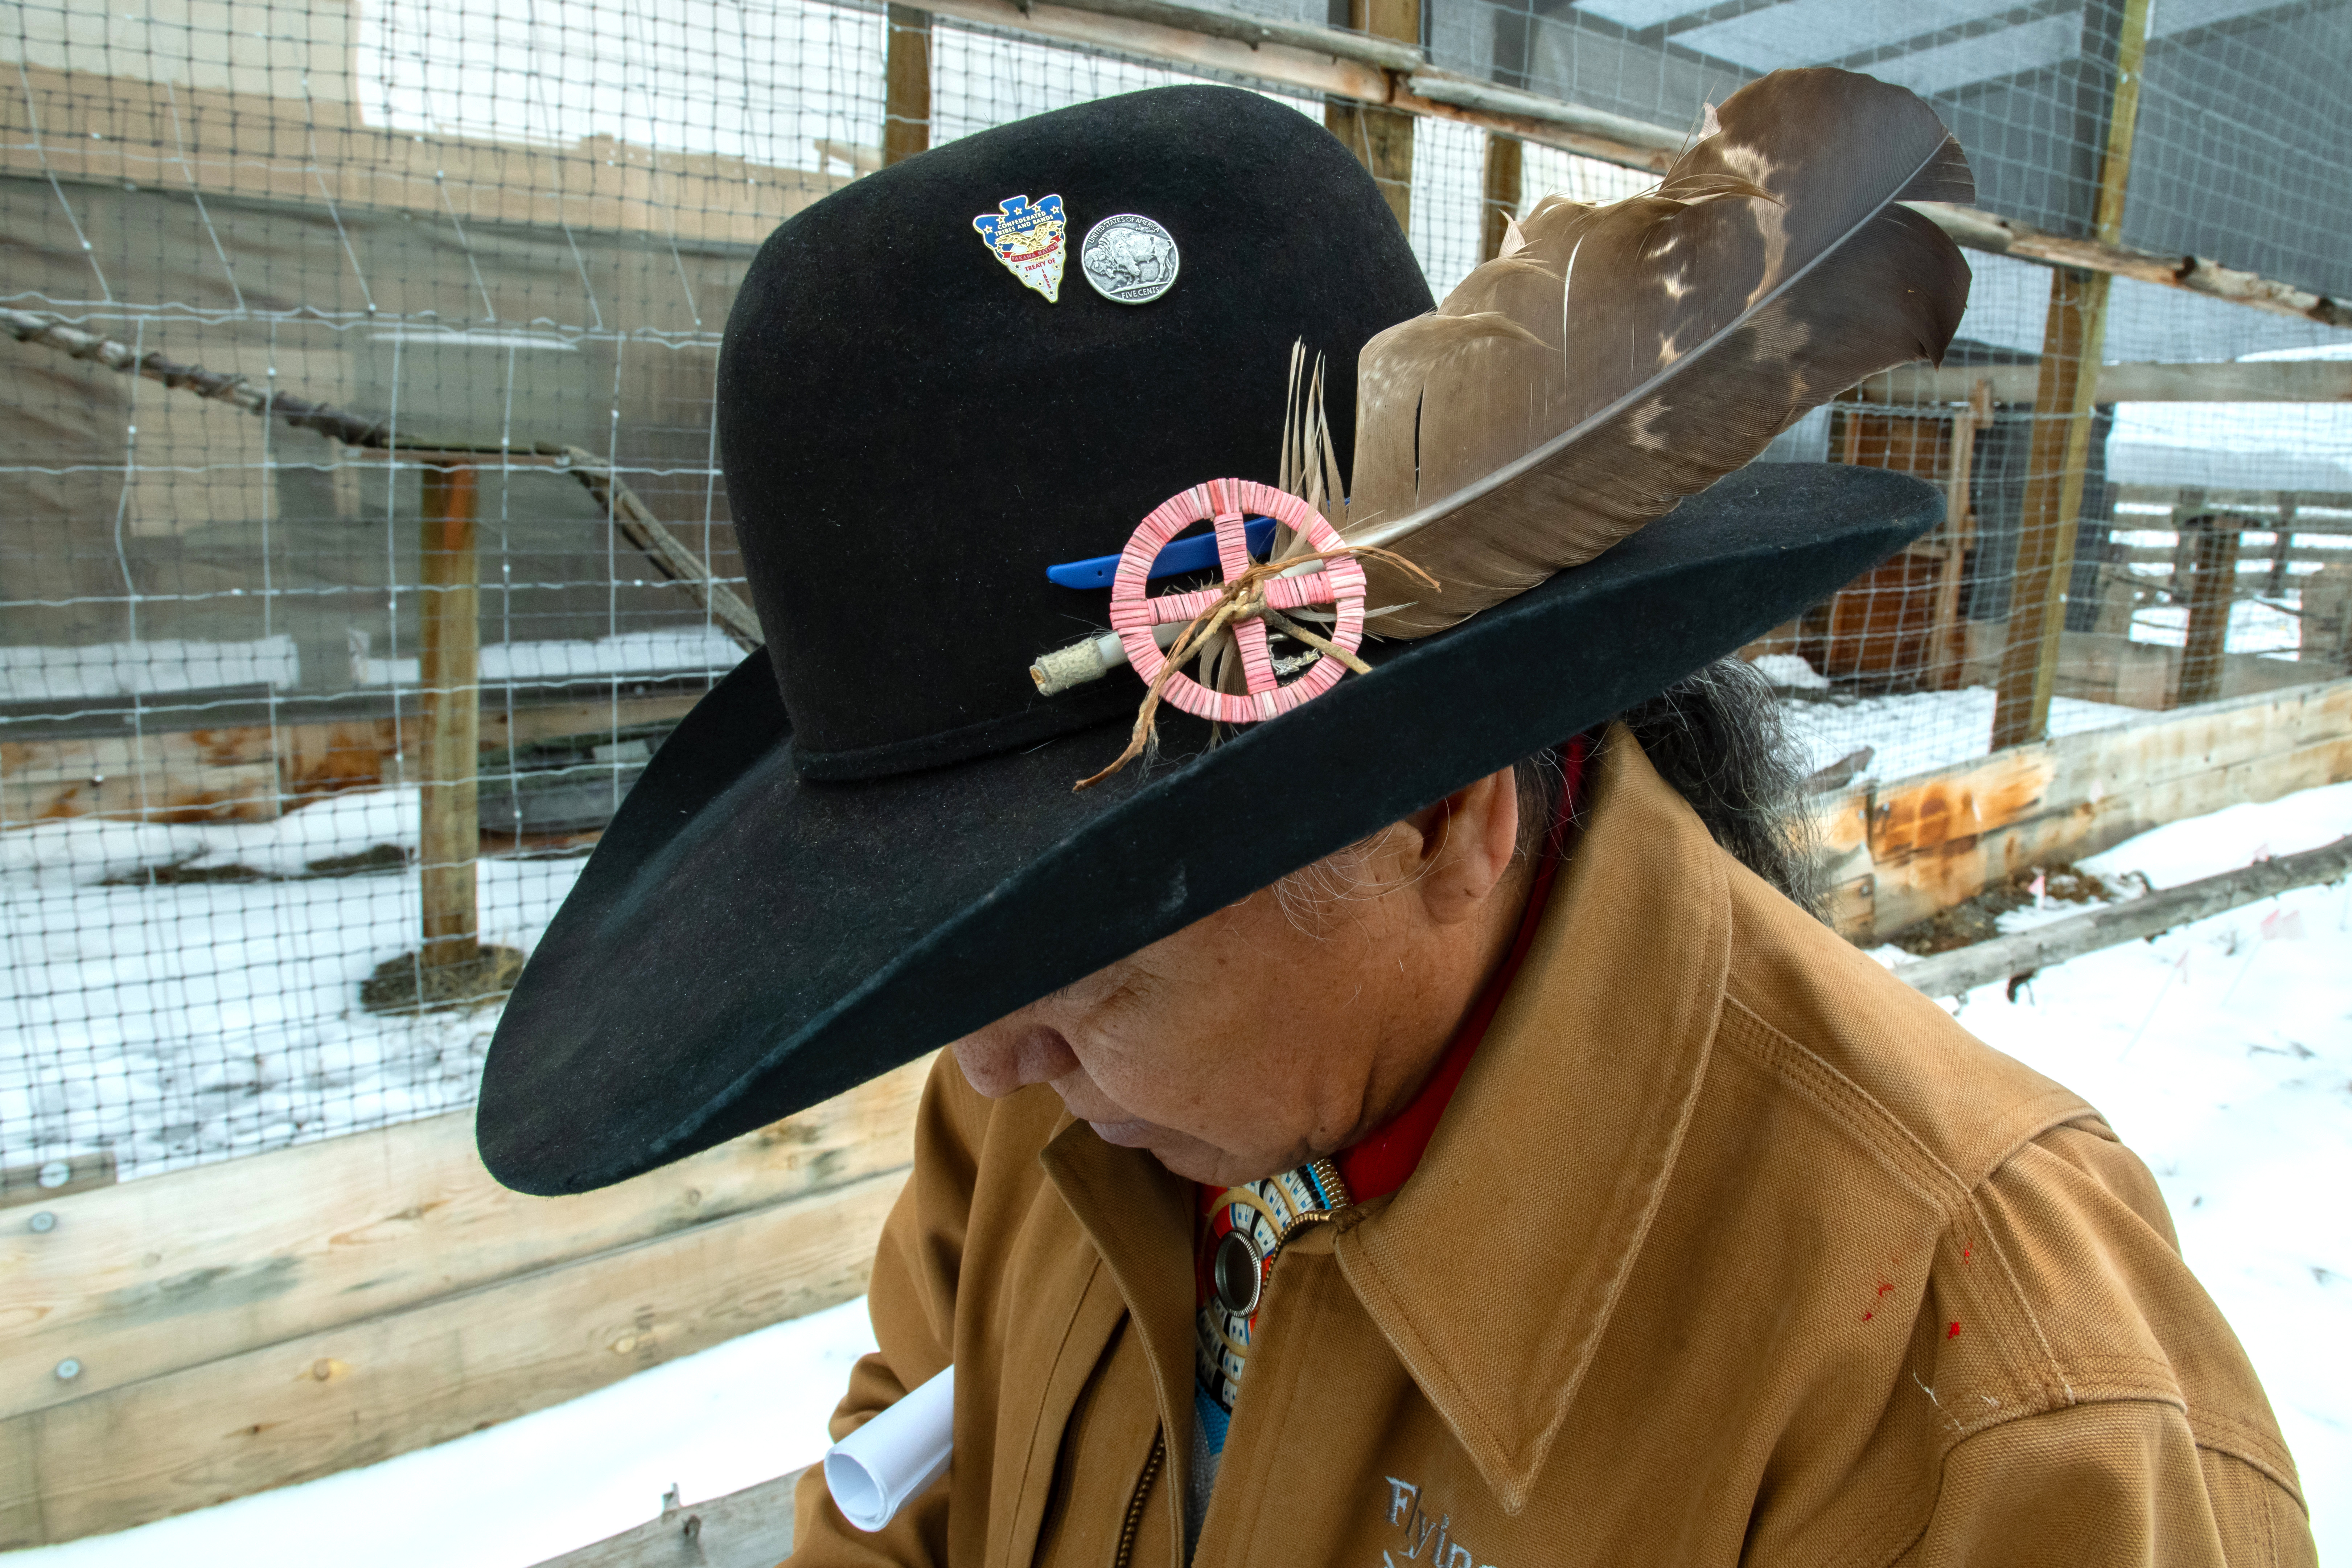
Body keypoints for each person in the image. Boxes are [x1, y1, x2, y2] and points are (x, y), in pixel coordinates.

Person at [477, 77, 2315, 1567]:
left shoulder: (1969, 1387)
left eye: (1076, 952)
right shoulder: (1050, 1106)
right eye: (952, 949)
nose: (984, 1066)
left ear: (1438, 811)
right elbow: (901, 1488)